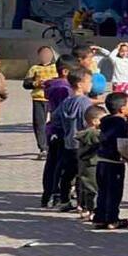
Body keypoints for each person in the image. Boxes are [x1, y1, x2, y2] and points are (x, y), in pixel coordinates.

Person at [54, 68, 94, 214]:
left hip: (68, 143)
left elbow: (55, 118)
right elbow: (88, 122)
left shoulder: (66, 102)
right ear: (79, 84)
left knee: (68, 173)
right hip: (82, 144)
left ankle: (64, 200)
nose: (91, 84)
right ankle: (82, 204)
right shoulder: (85, 102)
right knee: (83, 175)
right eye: (89, 81)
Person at [93, 92, 128, 230]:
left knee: (103, 191)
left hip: (101, 161)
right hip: (114, 163)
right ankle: (112, 219)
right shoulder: (121, 124)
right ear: (122, 109)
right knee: (114, 193)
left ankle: (99, 217)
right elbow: (123, 145)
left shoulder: (105, 121)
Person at [40, 56, 75, 208]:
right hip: (60, 129)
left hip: (53, 129)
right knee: (59, 164)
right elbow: (64, 110)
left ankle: (48, 194)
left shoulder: (53, 85)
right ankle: (54, 194)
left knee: (52, 163)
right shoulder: (63, 88)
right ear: (66, 71)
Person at [75, 105, 107, 222]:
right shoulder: (93, 133)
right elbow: (104, 138)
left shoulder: (86, 132)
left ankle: (86, 209)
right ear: (95, 121)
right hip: (91, 165)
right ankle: (93, 211)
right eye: (103, 119)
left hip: (86, 164)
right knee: (93, 189)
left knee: (86, 188)